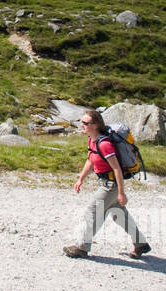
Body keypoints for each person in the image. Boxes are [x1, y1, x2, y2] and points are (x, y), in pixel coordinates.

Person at [63, 108, 151, 259]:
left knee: (92, 211)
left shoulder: (104, 145)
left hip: (110, 186)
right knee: (119, 215)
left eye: (85, 123)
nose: (81, 125)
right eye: (81, 122)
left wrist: (122, 193)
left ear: (95, 125)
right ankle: (141, 244)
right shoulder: (92, 140)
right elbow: (90, 160)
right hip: (108, 184)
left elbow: (116, 169)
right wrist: (81, 179)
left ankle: (81, 247)